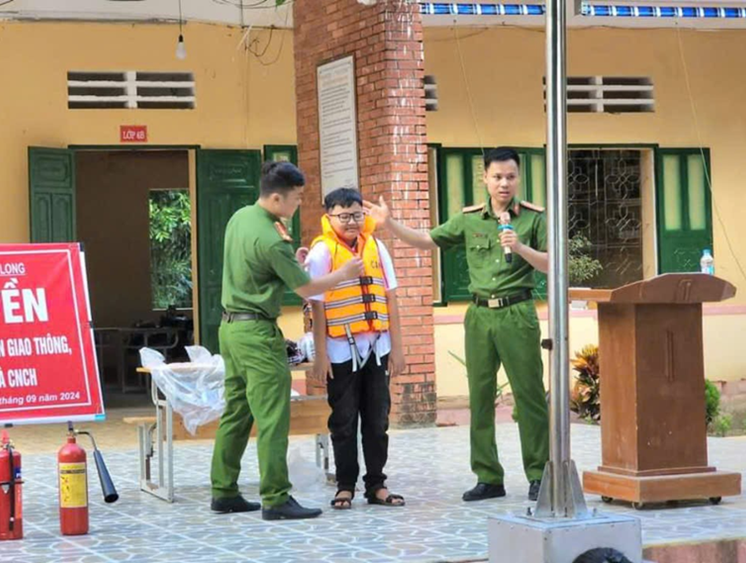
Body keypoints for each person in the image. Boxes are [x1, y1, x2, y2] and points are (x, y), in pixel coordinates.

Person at [365, 147, 550, 502]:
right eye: (497, 177)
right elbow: (426, 241)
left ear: (519, 178)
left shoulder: (534, 219)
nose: (504, 183)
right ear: (485, 178)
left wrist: (520, 246)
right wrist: (389, 224)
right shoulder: (468, 219)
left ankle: (538, 474)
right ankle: (488, 476)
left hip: (517, 313)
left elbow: (552, 264)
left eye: (510, 176)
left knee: (529, 398)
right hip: (479, 315)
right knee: (480, 398)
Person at [210, 161, 365, 521]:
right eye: (296, 199)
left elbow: (256, 271)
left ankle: (224, 490)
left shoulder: (242, 217)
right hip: (256, 334)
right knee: (272, 416)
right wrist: (342, 273)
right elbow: (307, 288)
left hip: (230, 329)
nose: (298, 206)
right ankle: (276, 498)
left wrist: (288, 265)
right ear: (277, 197)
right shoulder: (272, 237)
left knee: (236, 411)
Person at [305, 188, 406, 510]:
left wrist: (398, 349)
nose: (351, 221)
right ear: (329, 217)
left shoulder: (375, 246)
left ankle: (376, 484)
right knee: (344, 420)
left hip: (377, 346)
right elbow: (316, 305)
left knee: (378, 419)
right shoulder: (322, 252)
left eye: (356, 214)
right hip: (339, 349)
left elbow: (390, 297)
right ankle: (345, 485)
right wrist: (320, 355)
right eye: (343, 215)